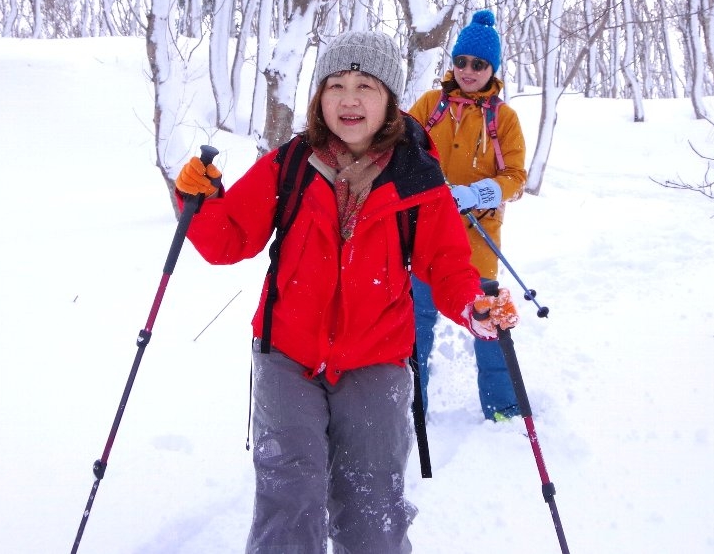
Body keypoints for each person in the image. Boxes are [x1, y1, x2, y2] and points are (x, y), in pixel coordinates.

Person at [174, 30, 518, 554]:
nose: (349, 99)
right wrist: (198, 200)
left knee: (372, 503)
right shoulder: (291, 164)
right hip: (286, 353)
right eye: (335, 85)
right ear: (319, 97)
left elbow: (447, 263)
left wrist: (472, 304)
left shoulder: (416, 176)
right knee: (288, 497)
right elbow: (230, 240)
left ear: (390, 101)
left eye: (365, 86)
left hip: (377, 355)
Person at [407, 9, 528, 422]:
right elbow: (400, 152)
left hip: (477, 243)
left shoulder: (503, 118)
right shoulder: (429, 105)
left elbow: (516, 177)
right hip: (424, 240)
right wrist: (426, 185)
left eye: (478, 64)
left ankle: (503, 408)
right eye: (461, 61)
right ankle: (412, 406)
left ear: (492, 69)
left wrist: (477, 193)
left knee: (488, 325)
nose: (468, 71)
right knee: (415, 326)